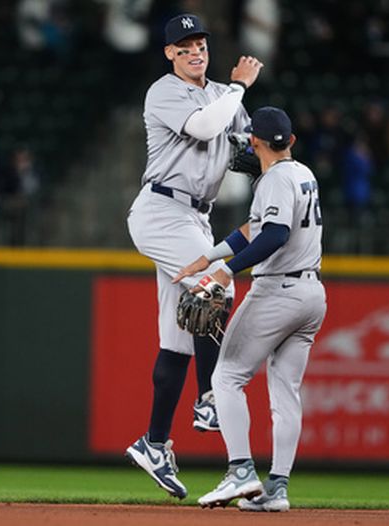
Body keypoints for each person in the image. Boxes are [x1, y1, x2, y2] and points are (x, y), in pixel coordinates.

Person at [124, 13, 263, 500]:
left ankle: (154, 442)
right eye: (184, 46)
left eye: (199, 42)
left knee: (179, 336)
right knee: (217, 284)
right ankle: (208, 399)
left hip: (194, 217)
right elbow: (205, 129)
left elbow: (248, 147)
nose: (195, 51)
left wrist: (273, 147)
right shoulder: (165, 91)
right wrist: (241, 88)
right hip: (161, 210)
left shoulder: (223, 96)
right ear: (169, 54)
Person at [174, 106, 326, 511]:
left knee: (226, 377)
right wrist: (207, 259)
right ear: (291, 140)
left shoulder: (273, 180)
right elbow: (253, 231)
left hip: (278, 290)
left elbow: (274, 234)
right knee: (286, 392)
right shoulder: (303, 174)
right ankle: (277, 488)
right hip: (312, 296)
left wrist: (224, 274)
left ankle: (240, 470)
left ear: (254, 141)